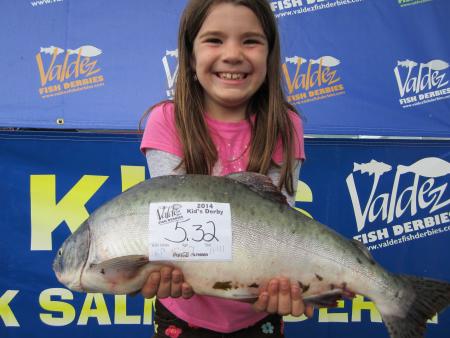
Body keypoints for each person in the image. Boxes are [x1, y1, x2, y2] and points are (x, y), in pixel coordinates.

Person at [140, 0, 311, 336]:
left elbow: (280, 223)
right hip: (182, 319)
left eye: (250, 41)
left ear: (270, 55)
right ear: (189, 56)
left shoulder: (286, 124)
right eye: (214, 40)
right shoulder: (165, 120)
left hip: (257, 317)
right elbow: (176, 230)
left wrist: (291, 284)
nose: (233, 54)